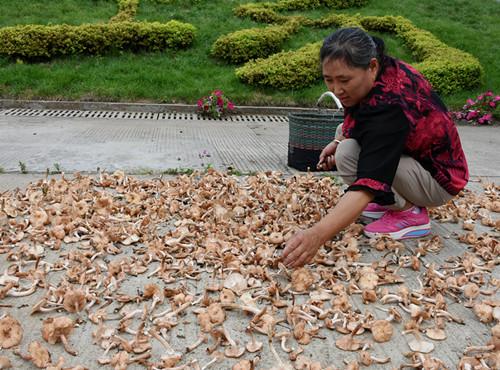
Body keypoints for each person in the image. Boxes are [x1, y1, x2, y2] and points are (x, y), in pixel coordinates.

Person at [282, 27, 468, 268]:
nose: (336, 90)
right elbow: (361, 115)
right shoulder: (378, 68)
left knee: (354, 160)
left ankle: (410, 215)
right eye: (329, 80)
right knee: (346, 151)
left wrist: (316, 235)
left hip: (439, 178)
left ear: (371, 67)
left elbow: (370, 182)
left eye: (344, 80)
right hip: (412, 157)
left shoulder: (389, 106)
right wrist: (339, 138)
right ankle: (391, 203)